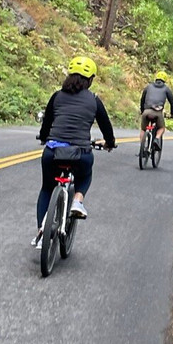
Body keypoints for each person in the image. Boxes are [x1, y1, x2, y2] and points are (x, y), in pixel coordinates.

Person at [33, 56, 116, 247]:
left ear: (70, 75)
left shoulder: (57, 96)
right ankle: (77, 201)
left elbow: (46, 124)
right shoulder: (94, 100)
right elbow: (106, 127)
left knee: (47, 188)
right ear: (91, 79)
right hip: (80, 153)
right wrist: (109, 143)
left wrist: (44, 137)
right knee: (85, 175)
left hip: (53, 152)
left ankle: (41, 231)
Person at [139, 70, 173, 149]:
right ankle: (157, 138)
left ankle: (142, 147)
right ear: (165, 79)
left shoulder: (148, 86)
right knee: (161, 128)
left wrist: (142, 110)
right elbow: (172, 102)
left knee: (143, 129)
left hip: (146, 111)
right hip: (157, 112)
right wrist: (172, 113)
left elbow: (142, 99)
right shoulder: (166, 89)